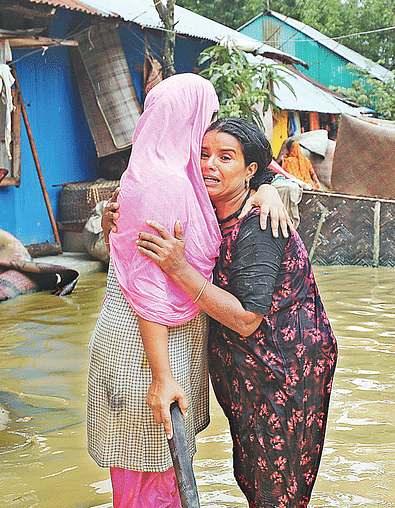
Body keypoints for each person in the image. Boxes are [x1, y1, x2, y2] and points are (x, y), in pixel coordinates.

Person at [88, 74, 290, 508]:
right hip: (145, 351)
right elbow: (150, 288)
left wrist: (267, 190)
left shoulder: (155, 175)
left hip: (142, 343)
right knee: (154, 476)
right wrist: (161, 376)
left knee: (149, 473)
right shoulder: (170, 184)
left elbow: (129, 259)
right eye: (207, 118)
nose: (208, 126)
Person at [136, 117, 338, 507]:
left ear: (249, 170)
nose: (209, 164)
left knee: (277, 489)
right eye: (204, 154)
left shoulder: (259, 226)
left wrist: (179, 269)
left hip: (284, 370)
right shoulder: (210, 211)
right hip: (248, 371)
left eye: (225, 158)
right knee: (253, 475)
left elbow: (246, 319)